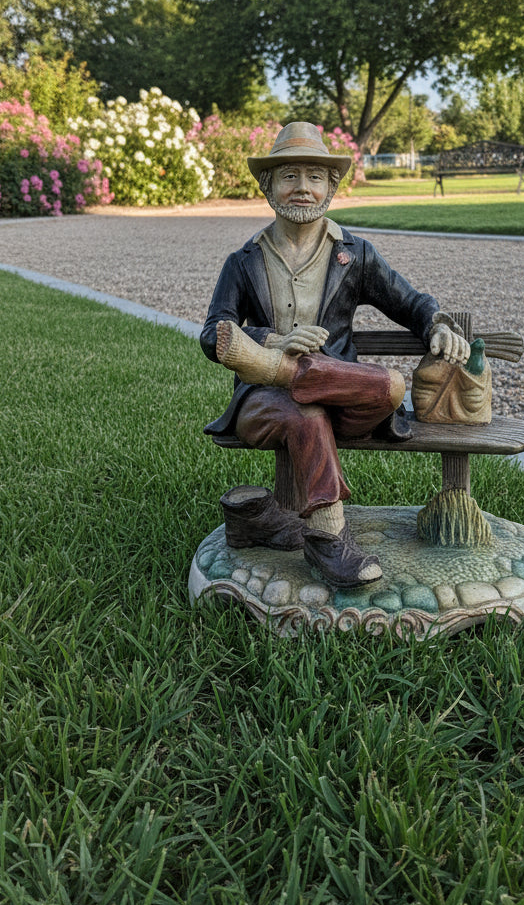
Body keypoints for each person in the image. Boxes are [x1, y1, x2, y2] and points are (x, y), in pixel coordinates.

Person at [200, 122, 469, 588]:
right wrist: (271, 341)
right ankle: (329, 539)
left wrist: (438, 325)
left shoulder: (355, 254)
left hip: (345, 403)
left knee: (389, 389)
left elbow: (408, 302)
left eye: (315, 177)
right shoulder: (244, 261)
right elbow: (213, 334)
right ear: (268, 186)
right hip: (263, 405)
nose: (302, 188)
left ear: (332, 186)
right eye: (289, 176)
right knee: (306, 413)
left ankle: (287, 376)